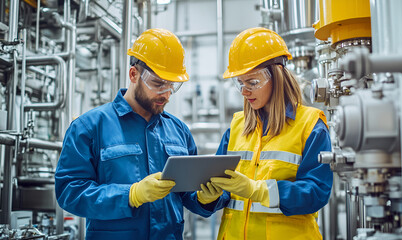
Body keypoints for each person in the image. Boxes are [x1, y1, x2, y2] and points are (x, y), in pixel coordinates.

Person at [55, 28, 226, 240]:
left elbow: (187, 196)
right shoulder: (89, 127)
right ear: (133, 74)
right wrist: (131, 195)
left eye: (172, 85)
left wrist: (204, 197)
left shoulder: (179, 131)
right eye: (158, 83)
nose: (166, 93)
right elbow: (69, 192)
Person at [210, 27, 333, 239]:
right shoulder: (236, 127)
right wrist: (208, 197)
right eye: (239, 83)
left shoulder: (310, 126)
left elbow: (316, 193)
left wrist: (259, 191)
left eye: (253, 82)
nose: (244, 91)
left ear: (277, 77)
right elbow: (222, 189)